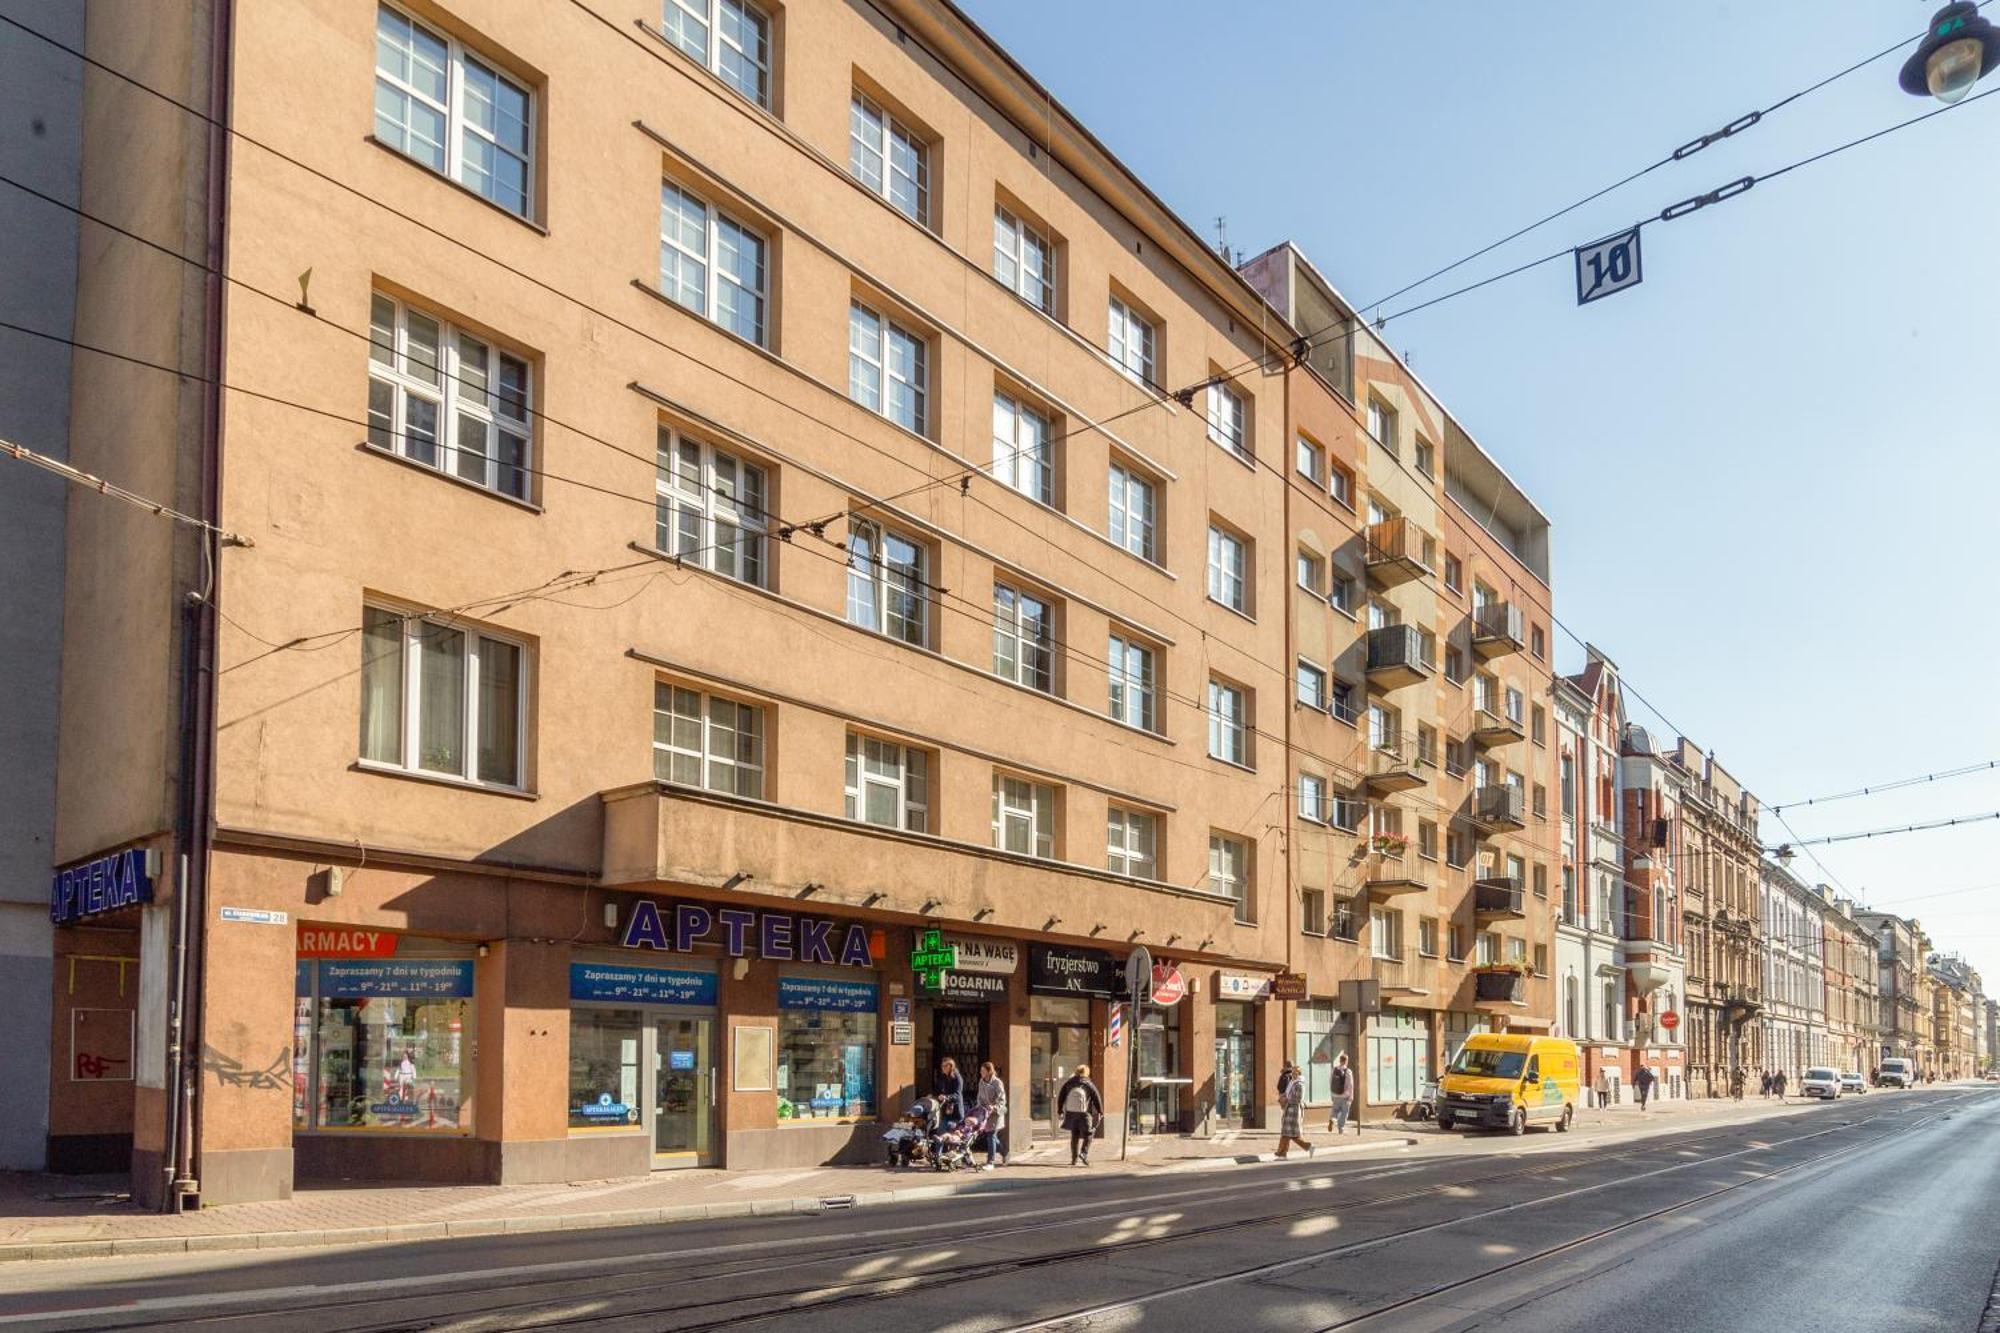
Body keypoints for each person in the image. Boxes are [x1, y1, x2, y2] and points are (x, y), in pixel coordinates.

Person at [1056, 1065, 1103, 1166]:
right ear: (1087, 1072)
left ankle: (1074, 1159)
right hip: (1084, 1113)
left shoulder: (1069, 1083)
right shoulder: (1088, 1083)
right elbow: (1096, 1097)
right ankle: (1084, 1153)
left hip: (1071, 1112)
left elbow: (1061, 1096)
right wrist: (1100, 1111)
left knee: (1075, 1135)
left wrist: (1060, 1110)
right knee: (1089, 1133)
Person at [1275, 1064, 1313, 1159]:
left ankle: (1283, 1152)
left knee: (1290, 1133)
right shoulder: (1293, 1082)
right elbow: (1288, 1094)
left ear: (1299, 1073)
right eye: (1292, 1072)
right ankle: (1282, 1153)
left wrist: (1286, 1100)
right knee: (1287, 1132)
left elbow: (1298, 1099)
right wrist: (1283, 1097)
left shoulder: (1300, 1084)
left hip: (1294, 1111)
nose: (1293, 1074)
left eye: (1295, 1072)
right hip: (1289, 1110)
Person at [974, 1061, 1007, 1170]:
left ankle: (990, 1162)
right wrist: (980, 1107)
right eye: (981, 1071)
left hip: (995, 1114)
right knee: (991, 1136)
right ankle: (1004, 1151)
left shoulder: (997, 1082)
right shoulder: (981, 1082)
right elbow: (979, 1096)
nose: (981, 1073)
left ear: (989, 1071)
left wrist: (994, 1107)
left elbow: (1002, 1099)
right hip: (985, 1113)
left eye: (983, 1071)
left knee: (991, 1136)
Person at [1326, 1053, 1355, 1134]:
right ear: (1346, 1061)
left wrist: (1332, 1094)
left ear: (1340, 1060)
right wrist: (1351, 1096)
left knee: (1335, 1110)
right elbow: (1350, 1085)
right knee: (1344, 1113)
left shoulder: (1334, 1069)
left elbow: (1330, 1081)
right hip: (1345, 1096)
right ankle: (1340, 1128)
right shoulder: (1348, 1071)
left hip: (1335, 1095)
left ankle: (1332, 1120)